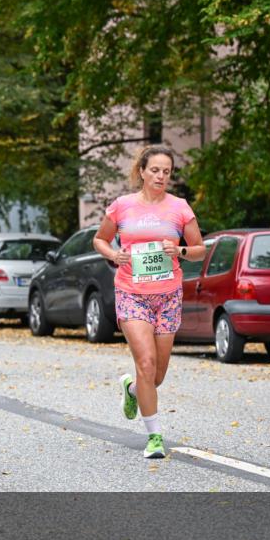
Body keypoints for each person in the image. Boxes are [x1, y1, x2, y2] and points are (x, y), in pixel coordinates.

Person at [92, 145, 205, 459]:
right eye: (155, 170)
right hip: (131, 293)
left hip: (168, 296)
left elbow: (199, 249)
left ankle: (131, 390)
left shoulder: (180, 207)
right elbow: (99, 238)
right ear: (142, 171)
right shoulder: (122, 206)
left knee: (155, 376)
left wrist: (179, 251)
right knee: (145, 363)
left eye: (166, 171)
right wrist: (113, 254)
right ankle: (154, 437)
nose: (161, 176)